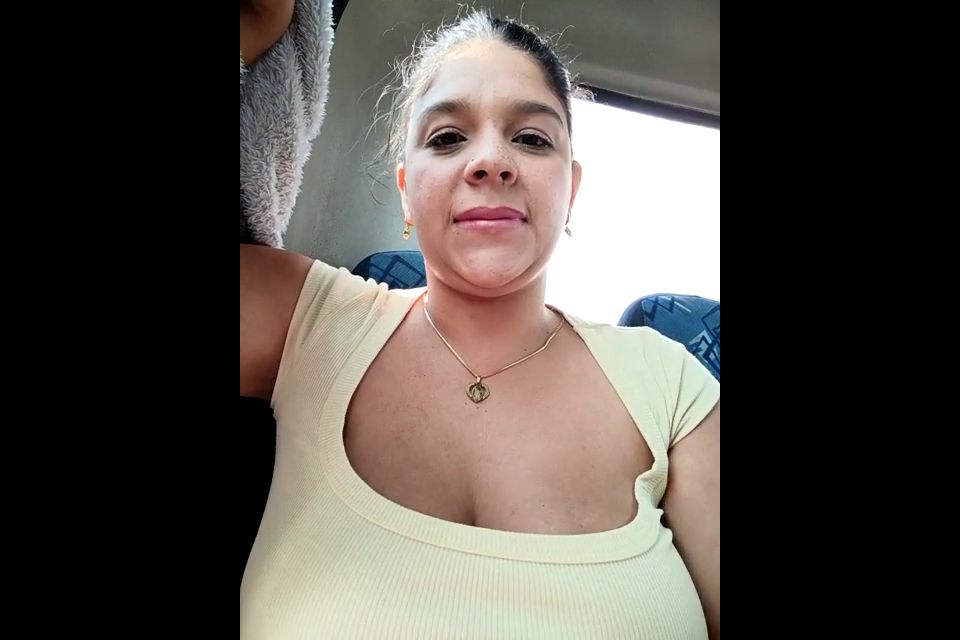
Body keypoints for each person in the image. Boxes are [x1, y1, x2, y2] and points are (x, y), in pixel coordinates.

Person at [240, 5, 720, 638]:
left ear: (571, 191)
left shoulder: (674, 387)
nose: (491, 161)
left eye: (532, 138)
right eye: (447, 138)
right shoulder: (304, 317)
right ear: (406, 189)